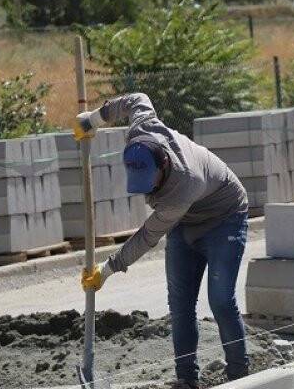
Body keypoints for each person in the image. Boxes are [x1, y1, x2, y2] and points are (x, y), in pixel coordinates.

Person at [75, 93, 248, 388]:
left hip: (224, 217)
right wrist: (94, 119)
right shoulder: (142, 128)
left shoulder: (184, 184)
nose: (146, 193)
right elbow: (137, 99)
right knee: (180, 304)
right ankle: (186, 380)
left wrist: (109, 268)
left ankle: (240, 377)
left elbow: (147, 235)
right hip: (185, 221)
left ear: (164, 165)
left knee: (220, 300)